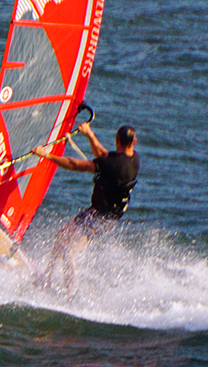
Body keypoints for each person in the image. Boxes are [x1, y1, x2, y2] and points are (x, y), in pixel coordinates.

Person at [33, 122, 139, 292]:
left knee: (69, 251)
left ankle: (70, 293)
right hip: (103, 213)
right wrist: (89, 134)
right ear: (134, 142)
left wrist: (46, 156)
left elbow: (75, 165)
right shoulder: (134, 158)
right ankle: (46, 276)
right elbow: (105, 156)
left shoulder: (111, 164)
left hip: (102, 218)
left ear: (117, 140)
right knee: (62, 236)